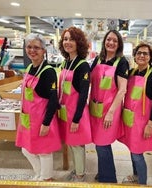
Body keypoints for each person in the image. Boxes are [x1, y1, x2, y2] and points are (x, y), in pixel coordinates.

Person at [15, 33, 61, 181]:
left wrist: (46, 123)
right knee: (26, 149)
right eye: (29, 47)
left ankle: (46, 178)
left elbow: (53, 99)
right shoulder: (30, 67)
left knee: (44, 151)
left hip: (42, 118)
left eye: (36, 47)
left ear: (44, 50)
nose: (32, 50)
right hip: (29, 119)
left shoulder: (48, 72)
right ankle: (40, 174)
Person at [119, 42, 152, 185]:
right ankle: (136, 175)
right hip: (130, 118)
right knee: (132, 150)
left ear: (150, 57)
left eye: (146, 53)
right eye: (139, 53)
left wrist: (151, 124)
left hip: (143, 121)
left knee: (137, 154)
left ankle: (142, 183)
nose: (142, 56)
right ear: (135, 55)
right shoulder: (132, 72)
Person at [89, 30, 129, 183]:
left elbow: (122, 90)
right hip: (96, 107)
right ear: (104, 41)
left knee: (102, 143)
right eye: (108, 39)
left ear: (119, 44)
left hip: (109, 109)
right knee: (99, 143)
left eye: (115, 41)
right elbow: (90, 80)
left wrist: (111, 113)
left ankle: (109, 180)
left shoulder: (121, 62)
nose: (111, 43)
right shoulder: (98, 59)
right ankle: (103, 172)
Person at [57, 26, 92, 182]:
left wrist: (76, 119)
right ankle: (77, 169)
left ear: (78, 42)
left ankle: (80, 175)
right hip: (66, 111)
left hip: (76, 113)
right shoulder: (66, 63)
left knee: (77, 145)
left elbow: (83, 95)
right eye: (65, 39)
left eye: (71, 39)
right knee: (71, 143)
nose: (68, 42)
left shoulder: (82, 65)